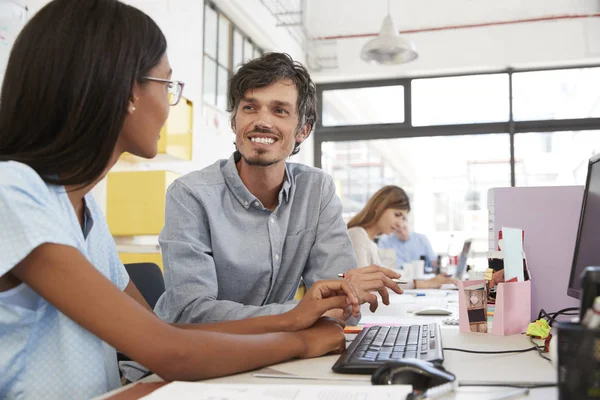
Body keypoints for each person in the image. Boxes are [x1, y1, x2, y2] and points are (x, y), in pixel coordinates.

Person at [0, 2, 362, 399]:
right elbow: (171, 350)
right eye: (166, 85)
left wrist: (295, 318)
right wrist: (304, 340)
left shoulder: (84, 210)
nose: (170, 105)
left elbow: (168, 333)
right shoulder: (14, 194)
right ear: (125, 93)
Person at [154, 52, 401, 326]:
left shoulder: (316, 191)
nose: (263, 121)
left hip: (275, 355)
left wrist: (339, 299)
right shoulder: (190, 195)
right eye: (250, 108)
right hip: (193, 358)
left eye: (279, 110)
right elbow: (191, 315)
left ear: (303, 131)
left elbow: (345, 308)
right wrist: (300, 314)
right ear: (234, 122)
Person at [347, 186, 455, 289]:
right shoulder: (357, 235)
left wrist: (425, 283)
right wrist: (425, 283)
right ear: (379, 207)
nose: (400, 224)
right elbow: (366, 283)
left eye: (403, 218)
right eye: (397, 215)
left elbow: (384, 280)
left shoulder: (370, 242)